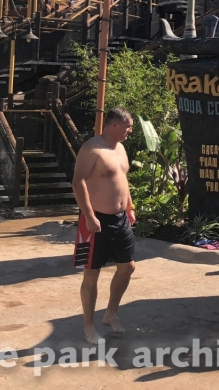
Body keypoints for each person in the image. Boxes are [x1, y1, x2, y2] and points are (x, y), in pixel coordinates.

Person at [71, 107, 137, 344]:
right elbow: (78, 181)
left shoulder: (120, 148)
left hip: (120, 218)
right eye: (128, 127)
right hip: (95, 220)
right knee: (92, 274)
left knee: (128, 267)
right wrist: (89, 215)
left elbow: (122, 180)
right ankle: (89, 327)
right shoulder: (92, 148)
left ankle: (110, 313)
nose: (130, 131)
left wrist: (129, 207)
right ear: (115, 125)